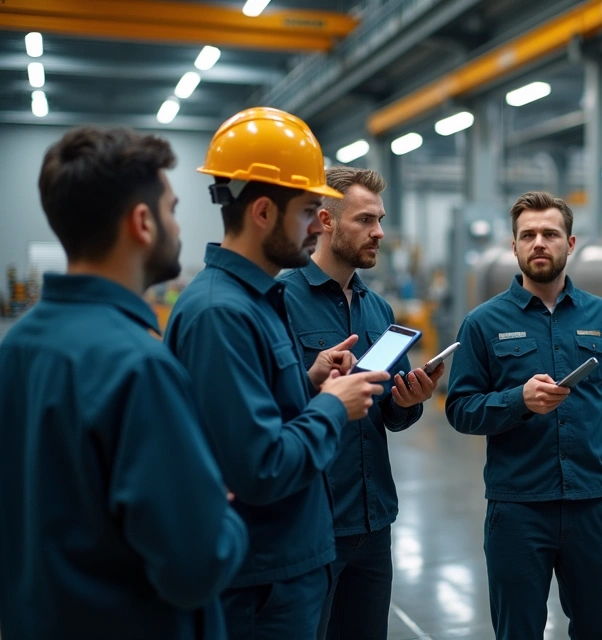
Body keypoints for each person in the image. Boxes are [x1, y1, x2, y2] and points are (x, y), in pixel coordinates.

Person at [0, 126, 247, 638]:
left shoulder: (18, 346)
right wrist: (220, 514)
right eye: (172, 209)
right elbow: (196, 567)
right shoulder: (138, 365)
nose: (178, 227)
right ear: (142, 222)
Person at [163, 107, 390, 639]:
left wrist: (308, 383)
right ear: (263, 211)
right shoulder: (222, 313)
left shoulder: (258, 301)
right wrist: (334, 405)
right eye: (310, 208)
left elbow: (258, 413)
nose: (318, 223)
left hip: (286, 566)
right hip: (259, 582)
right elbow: (259, 467)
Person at [445, 191, 602, 639]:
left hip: (591, 505)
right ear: (513, 247)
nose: (539, 243)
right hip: (518, 509)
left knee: (601, 629)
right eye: (527, 235)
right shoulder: (482, 323)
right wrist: (519, 401)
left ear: (570, 244)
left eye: (550, 234)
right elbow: (459, 408)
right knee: (519, 632)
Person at [279, 166, 442, 640]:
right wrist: (312, 383)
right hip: (313, 523)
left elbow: (387, 414)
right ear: (326, 221)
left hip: (374, 522)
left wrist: (409, 400)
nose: (379, 233)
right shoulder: (280, 301)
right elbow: (271, 410)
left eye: (380, 219)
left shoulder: (378, 309)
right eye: (366, 221)